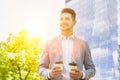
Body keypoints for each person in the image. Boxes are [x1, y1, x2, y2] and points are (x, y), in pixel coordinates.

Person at [38, 8, 96, 80]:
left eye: (67, 19)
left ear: (74, 22)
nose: (63, 21)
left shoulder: (83, 44)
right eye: (61, 19)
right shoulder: (49, 43)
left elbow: (92, 69)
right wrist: (49, 73)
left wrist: (82, 74)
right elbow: (41, 68)